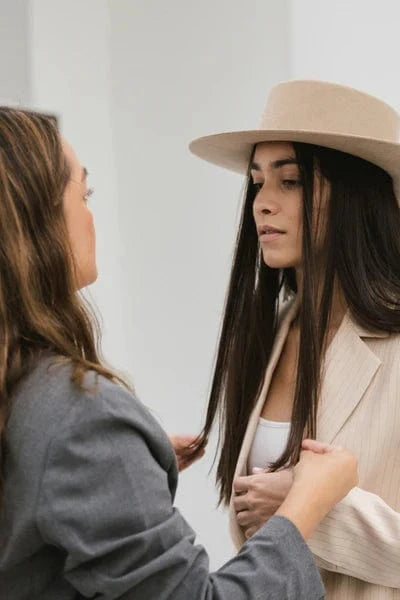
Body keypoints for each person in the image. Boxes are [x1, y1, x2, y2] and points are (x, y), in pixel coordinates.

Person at [0, 106, 357, 599]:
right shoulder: (77, 415)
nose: (262, 204)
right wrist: (305, 506)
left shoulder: (32, 395)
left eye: (291, 181)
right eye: (85, 194)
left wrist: (117, 466)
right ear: (36, 222)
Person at [189, 80, 400, 599]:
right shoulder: (269, 334)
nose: (263, 204)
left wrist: (312, 508)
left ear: (355, 194)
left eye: (291, 181)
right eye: (258, 182)